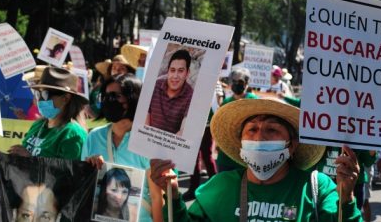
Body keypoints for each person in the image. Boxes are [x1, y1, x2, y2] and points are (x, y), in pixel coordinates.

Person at [150, 98, 362, 221]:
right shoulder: (219, 188)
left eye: (271, 129)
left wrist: (346, 199)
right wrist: (174, 196)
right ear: (241, 143)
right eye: (251, 130)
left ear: (292, 144)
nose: (259, 137)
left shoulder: (317, 188)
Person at [82, 73, 163, 222]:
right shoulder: (93, 137)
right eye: (105, 96)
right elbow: (83, 188)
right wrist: (89, 168)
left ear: (133, 99)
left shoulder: (149, 141)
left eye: (116, 96)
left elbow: (157, 198)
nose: (109, 101)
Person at [4, 66, 88, 160]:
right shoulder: (38, 125)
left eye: (45, 94)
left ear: (66, 98)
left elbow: (69, 172)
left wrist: (31, 159)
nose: (39, 100)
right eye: (38, 94)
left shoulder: (73, 134)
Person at [216, 67, 258, 172]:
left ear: (246, 83)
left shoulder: (254, 101)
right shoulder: (226, 102)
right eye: (234, 81)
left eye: (240, 81)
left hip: (246, 153)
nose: (236, 84)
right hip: (227, 154)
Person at [146, 49, 194, 135]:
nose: (175, 76)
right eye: (172, 70)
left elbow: (184, 130)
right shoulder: (155, 86)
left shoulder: (191, 95)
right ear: (168, 71)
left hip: (171, 146)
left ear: (187, 73)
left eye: (180, 71)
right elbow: (145, 118)